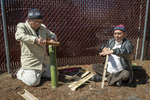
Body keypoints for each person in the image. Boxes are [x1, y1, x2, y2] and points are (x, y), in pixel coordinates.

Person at [12, 8, 58, 86]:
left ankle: (39, 72)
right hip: (31, 61)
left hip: (43, 61)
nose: (38, 24)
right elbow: (19, 36)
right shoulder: (22, 26)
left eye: (40, 22)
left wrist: (52, 39)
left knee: (55, 75)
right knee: (33, 82)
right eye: (36, 22)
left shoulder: (42, 27)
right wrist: (36, 39)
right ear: (29, 20)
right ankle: (19, 73)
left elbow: (52, 34)